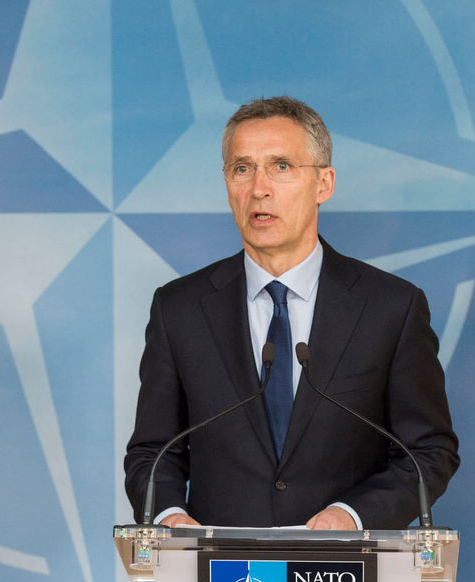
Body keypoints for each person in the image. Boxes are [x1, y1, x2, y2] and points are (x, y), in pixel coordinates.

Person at [124, 96, 458, 531]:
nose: (258, 187)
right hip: (222, 581)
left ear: (324, 183)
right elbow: (153, 451)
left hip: (343, 578)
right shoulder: (179, 309)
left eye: (281, 166)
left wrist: (354, 515)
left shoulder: (390, 308)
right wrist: (169, 516)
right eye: (241, 168)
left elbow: (429, 451)